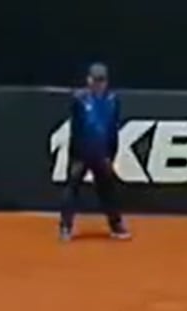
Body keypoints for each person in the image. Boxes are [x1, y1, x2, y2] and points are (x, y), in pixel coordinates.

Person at [60, 63, 129, 241]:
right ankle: (66, 227)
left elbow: (113, 129)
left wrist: (111, 155)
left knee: (108, 190)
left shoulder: (113, 100)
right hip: (81, 153)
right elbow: (76, 129)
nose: (98, 84)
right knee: (72, 188)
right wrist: (76, 153)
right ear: (88, 80)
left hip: (102, 153)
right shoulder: (79, 99)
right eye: (95, 80)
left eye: (102, 80)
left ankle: (116, 225)